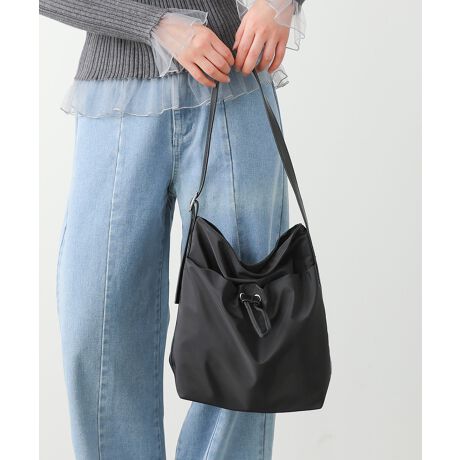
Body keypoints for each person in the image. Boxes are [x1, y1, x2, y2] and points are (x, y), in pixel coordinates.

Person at [40, 0, 306, 458]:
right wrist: (154, 25)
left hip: (232, 78)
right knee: (95, 325)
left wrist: (280, 4)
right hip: (116, 95)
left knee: (247, 325)